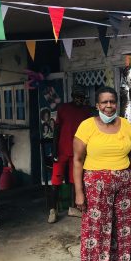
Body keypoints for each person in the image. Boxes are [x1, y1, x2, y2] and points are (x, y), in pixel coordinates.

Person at [73, 86, 131, 261]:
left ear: (116, 103)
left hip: (124, 184)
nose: (109, 106)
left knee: (122, 228)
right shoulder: (86, 126)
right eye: (104, 102)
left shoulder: (126, 125)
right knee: (97, 228)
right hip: (96, 185)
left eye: (112, 101)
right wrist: (79, 192)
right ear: (97, 105)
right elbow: (77, 160)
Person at [48, 84, 93, 224]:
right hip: (61, 151)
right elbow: (56, 130)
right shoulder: (63, 108)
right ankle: (52, 210)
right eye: (77, 97)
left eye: (82, 97)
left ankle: (73, 208)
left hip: (78, 153)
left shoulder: (87, 111)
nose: (80, 99)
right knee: (56, 182)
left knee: (76, 182)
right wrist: (54, 150)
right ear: (73, 97)